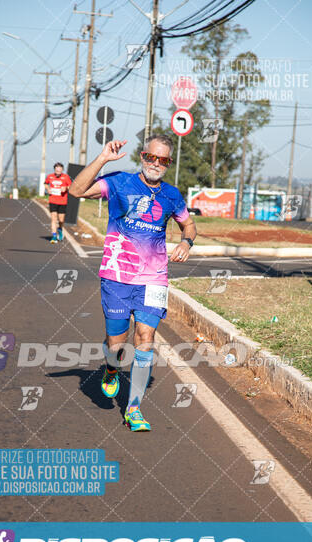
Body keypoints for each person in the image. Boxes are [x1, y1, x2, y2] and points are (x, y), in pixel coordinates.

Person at [69, 134, 197, 432]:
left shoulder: (172, 195)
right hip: (116, 276)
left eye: (163, 160)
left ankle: (134, 408)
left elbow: (188, 224)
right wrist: (102, 158)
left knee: (145, 338)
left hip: (154, 278)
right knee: (118, 345)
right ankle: (111, 368)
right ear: (142, 156)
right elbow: (75, 190)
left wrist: (187, 242)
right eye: (151, 157)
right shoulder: (119, 182)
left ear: (168, 163)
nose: (156, 164)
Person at [44, 162, 72, 243]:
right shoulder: (50, 176)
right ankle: (54, 236)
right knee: (53, 219)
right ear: (54, 170)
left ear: (62, 170)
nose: (58, 172)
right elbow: (46, 183)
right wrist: (48, 189)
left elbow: (71, 187)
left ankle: (60, 229)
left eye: (59, 170)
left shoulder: (66, 177)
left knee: (61, 220)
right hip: (53, 200)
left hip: (63, 201)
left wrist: (66, 188)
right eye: (56, 170)